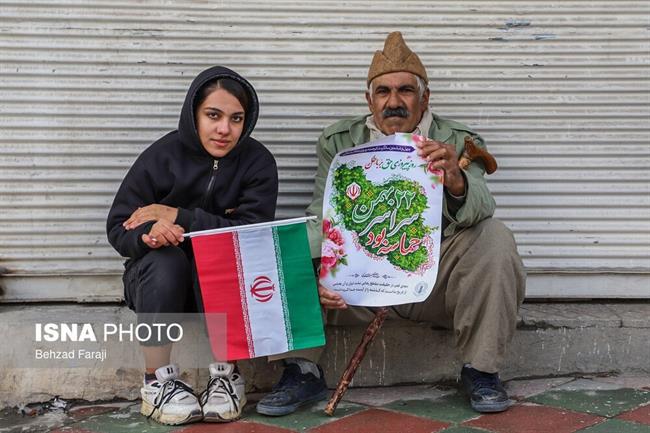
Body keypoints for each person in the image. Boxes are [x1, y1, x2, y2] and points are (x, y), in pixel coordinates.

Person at [257, 32, 526, 416]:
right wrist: (320, 271)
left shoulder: (458, 140)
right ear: (369, 100)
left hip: (432, 281)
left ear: (425, 98)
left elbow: (482, 208)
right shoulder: (339, 141)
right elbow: (324, 215)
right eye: (383, 92)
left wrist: (456, 179)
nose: (394, 102)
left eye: (405, 91)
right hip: (358, 284)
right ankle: (301, 370)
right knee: (293, 243)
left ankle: (481, 370)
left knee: (495, 238)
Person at [106, 66, 278, 425]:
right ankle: (158, 383)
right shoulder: (162, 156)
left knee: (228, 251)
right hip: (159, 286)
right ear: (193, 114)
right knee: (166, 262)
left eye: (236, 118)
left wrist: (180, 216)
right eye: (213, 115)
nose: (224, 129)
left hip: (220, 284)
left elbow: (252, 231)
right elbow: (118, 228)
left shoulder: (258, 163)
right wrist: (148, 235)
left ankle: (225, 375)